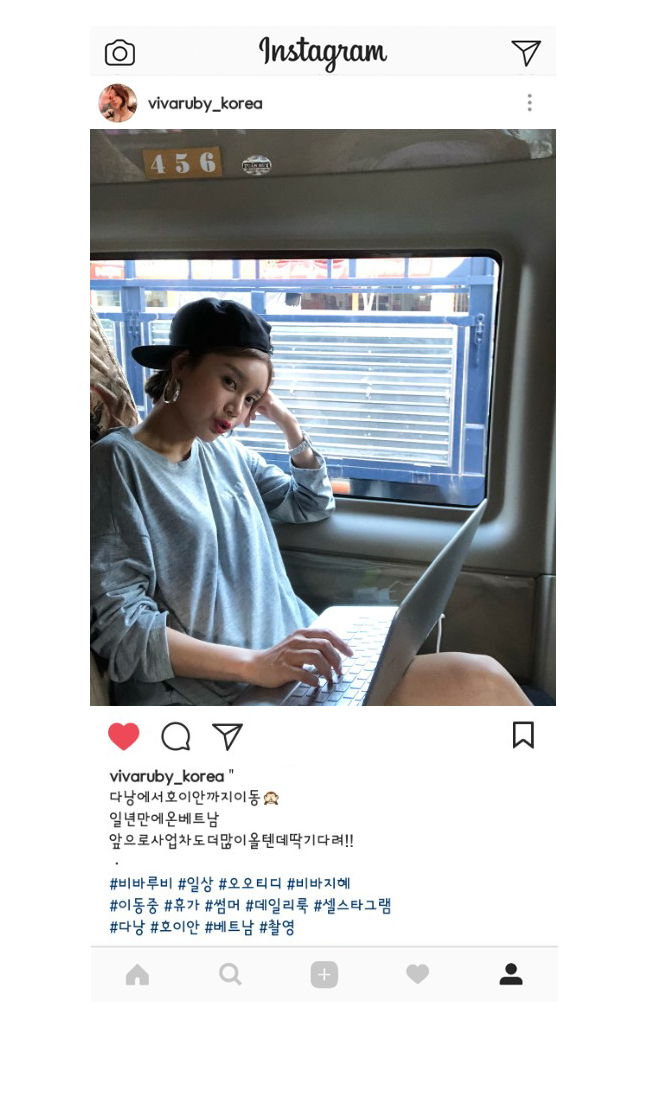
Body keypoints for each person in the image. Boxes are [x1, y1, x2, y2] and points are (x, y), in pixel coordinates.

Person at [90, 297, 531, 707]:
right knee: (480, 682)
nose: (237, 410)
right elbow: (122, 628)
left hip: (294, 662)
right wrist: (257, 664)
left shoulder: (225, 453)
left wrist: (288, 424)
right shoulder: (116, 463)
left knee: (481, 678)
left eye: (251, 399)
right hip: (223, 695)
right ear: (182, 365)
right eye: (229, 382)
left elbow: (311, 503)